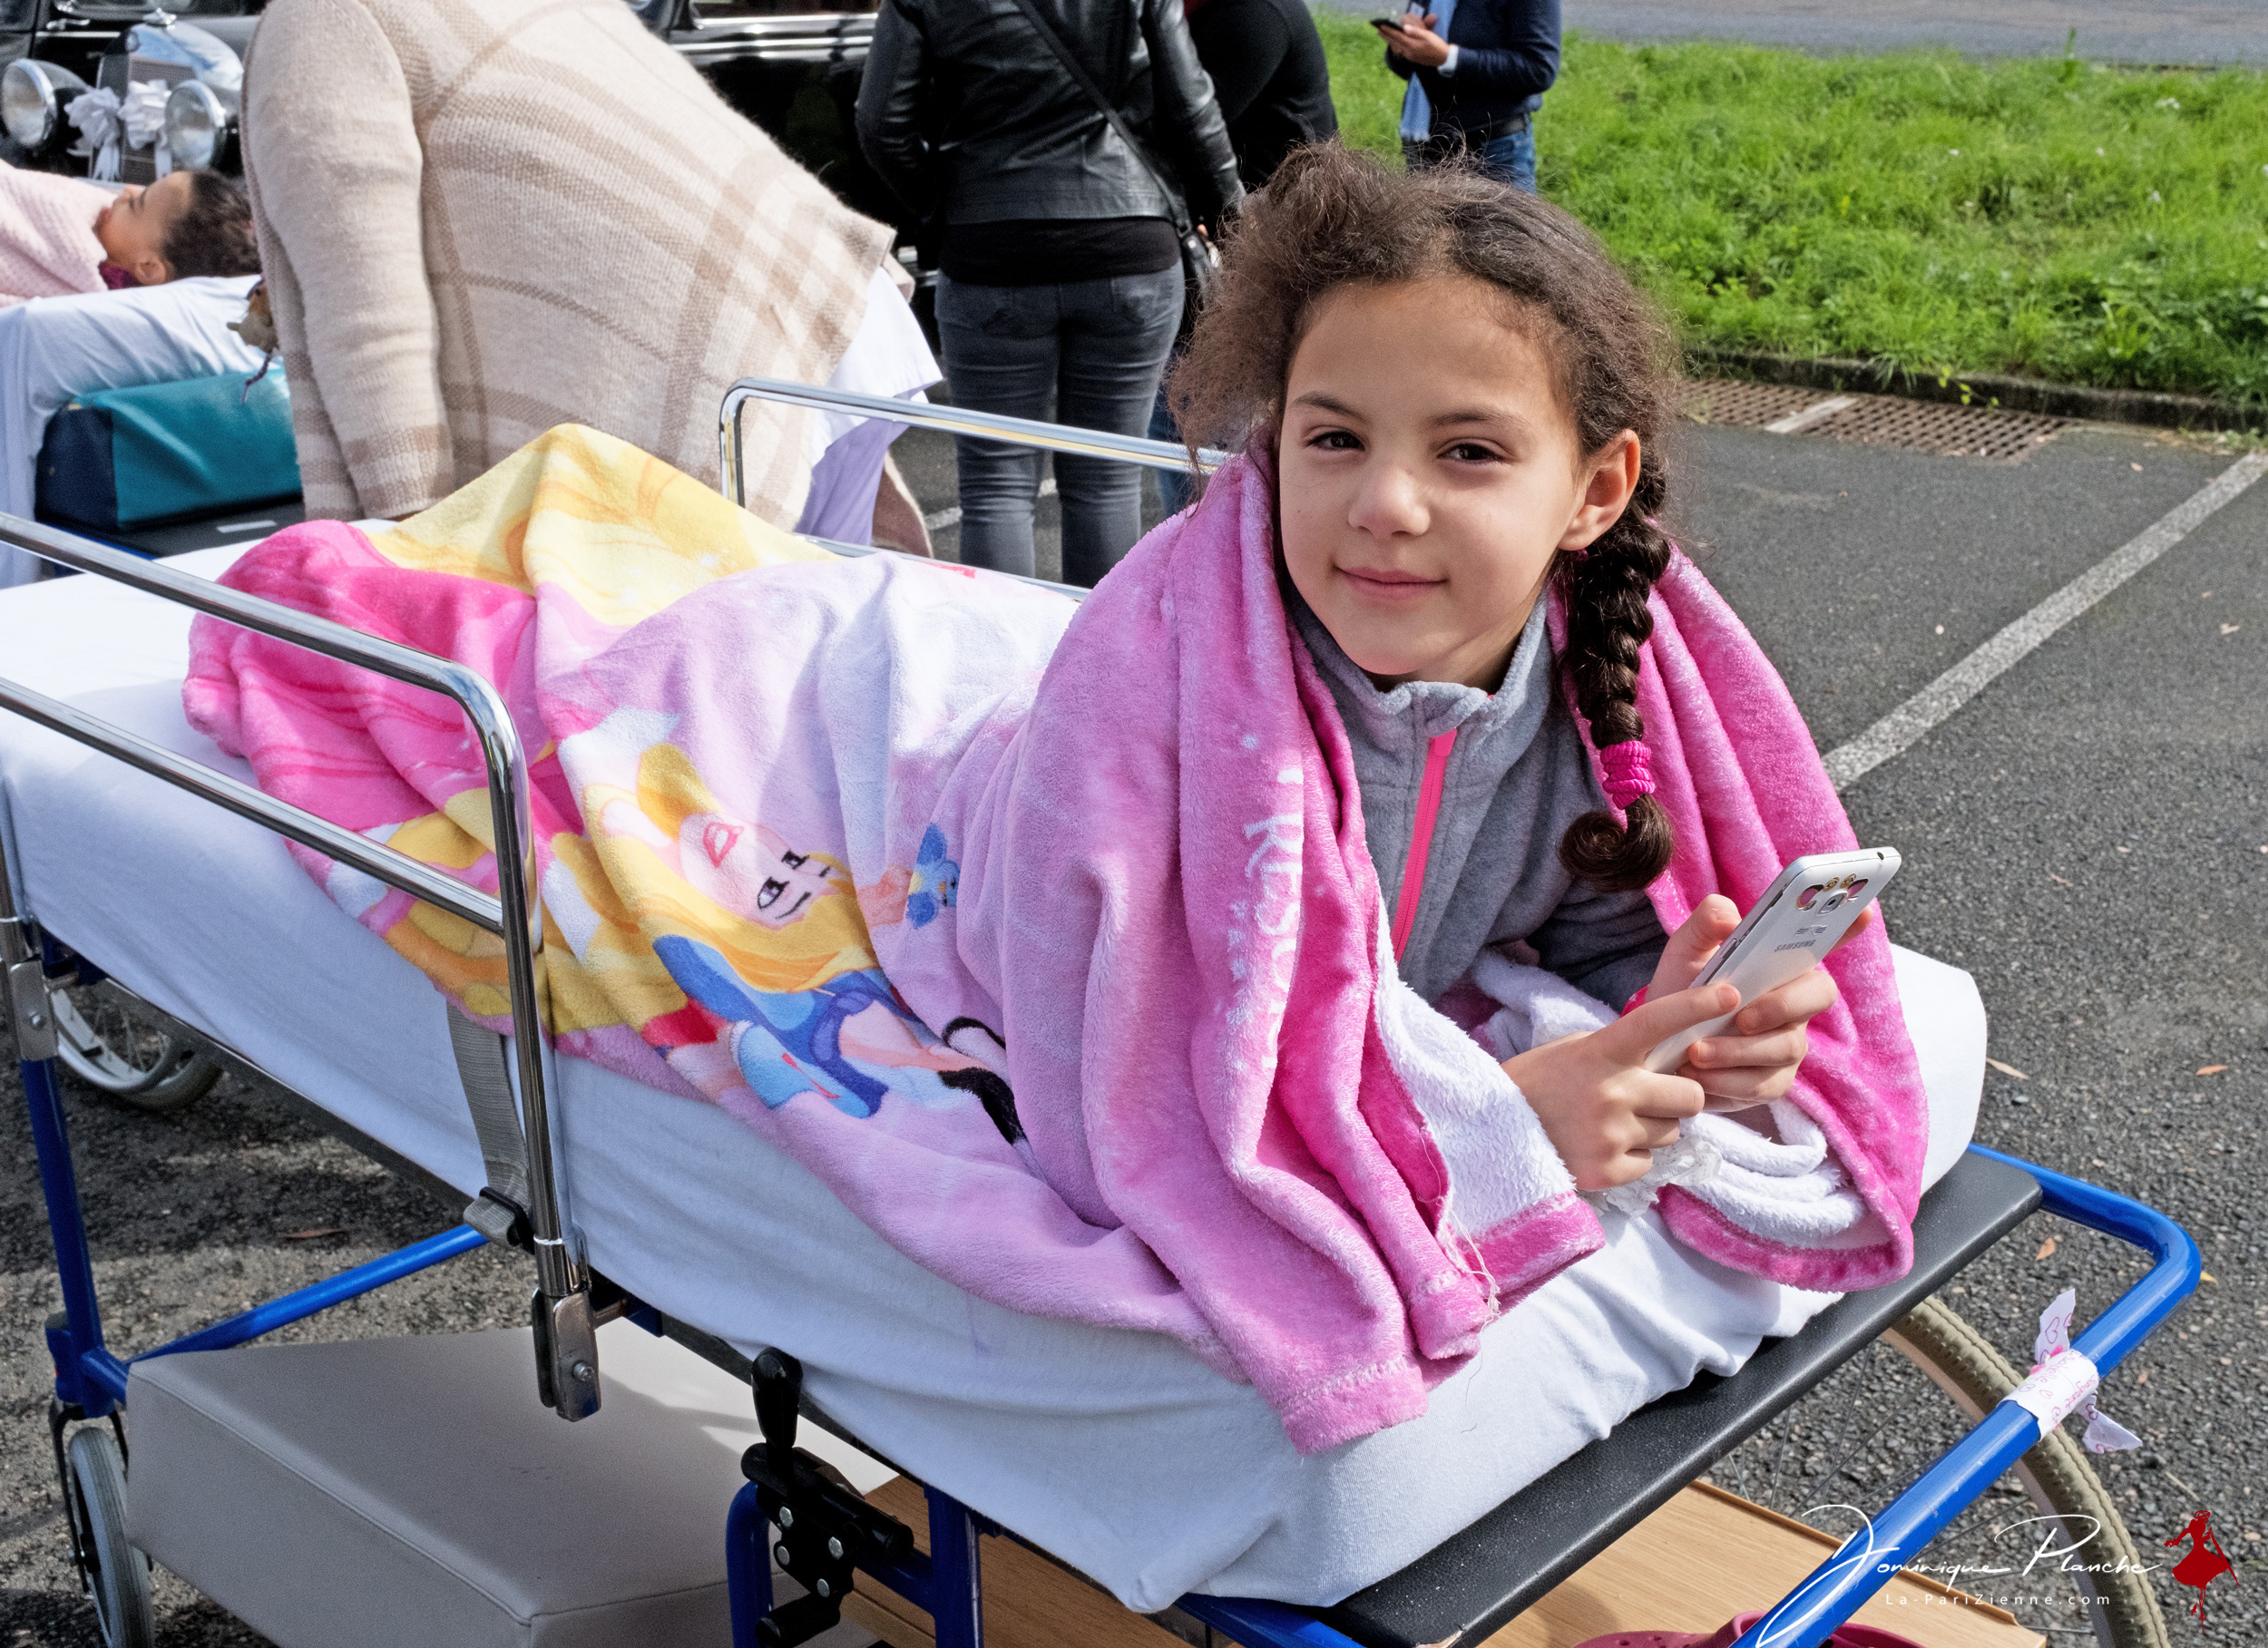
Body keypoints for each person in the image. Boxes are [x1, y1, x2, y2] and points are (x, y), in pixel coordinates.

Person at [1170, 142, 1868, 1193]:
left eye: (1467, 451)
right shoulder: (1179, 707)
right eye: (1334, 439)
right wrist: (1491, 1127)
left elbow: (1590, 944)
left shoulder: (1584, 710)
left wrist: (1675, 1015)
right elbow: (1142, 1059)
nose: (1384, 505)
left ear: (1595, 492)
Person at [241, 0, 931, 549]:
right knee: (807, 649)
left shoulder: (325, 19)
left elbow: (365, 311)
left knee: (722, 664)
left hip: (716, 376)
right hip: (823, 323)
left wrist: (414, 536)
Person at [857, 0, 1244, 587]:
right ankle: (1098, 645)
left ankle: (999, 646)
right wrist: (1231, 216)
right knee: (1107, 476)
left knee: (995, 481)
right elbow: (1193, 108)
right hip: (1129, 236)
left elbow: (881, 124)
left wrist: (946, 207)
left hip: (991, 248)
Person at [1147, 0, 1336, 512]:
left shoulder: (1250, 13)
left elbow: (1180, 130)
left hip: (1262, 249)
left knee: (1204, 424)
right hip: (1232, 241)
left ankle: (1211, 546)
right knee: (1185, 416)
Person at [0, 165, 259, 303]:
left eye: (137, 204)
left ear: (148, 268)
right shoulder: (96, 207)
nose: (128, 189)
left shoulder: (88, 295)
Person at [1378, 0, 1559, 191]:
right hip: (1426, 148)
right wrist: (1403, 45)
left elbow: (1539, 68)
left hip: (1492, 154)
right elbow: (1414, 69)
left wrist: (1449, 57)